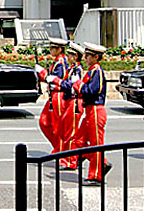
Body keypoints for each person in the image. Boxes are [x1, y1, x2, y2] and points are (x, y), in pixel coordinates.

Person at [71, 42, 113, 186]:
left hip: (96, 109)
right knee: (77, 140)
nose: (86, 58)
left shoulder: (97, 71)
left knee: (96, 144)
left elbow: (92, 91)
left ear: (96, 57)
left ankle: (96, 176)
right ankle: (102, 162)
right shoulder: (91, 71)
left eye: (89, 56)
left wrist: (78, 85)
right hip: (89, 110)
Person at [34, 37, 69, 156]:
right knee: (44, 122)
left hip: (58, 95)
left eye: (53, 48)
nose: (51, 50)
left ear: (60, 49)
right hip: (53, 95)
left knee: (58, 126)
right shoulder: (57, 62)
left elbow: (54, 79)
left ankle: (61, 150)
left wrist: (42, 72)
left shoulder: (61, 63)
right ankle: (58, 147)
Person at [55, 41, 85, 170]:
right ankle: (69, 158)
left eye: (70, 55)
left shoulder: (77, 69)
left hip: (75, 101)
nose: (68, 57)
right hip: (69, 101)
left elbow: (71, 86)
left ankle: (72, 161)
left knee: (71, 133)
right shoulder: (72, 68)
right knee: (65, 131)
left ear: (75, 56)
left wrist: (57, 81)